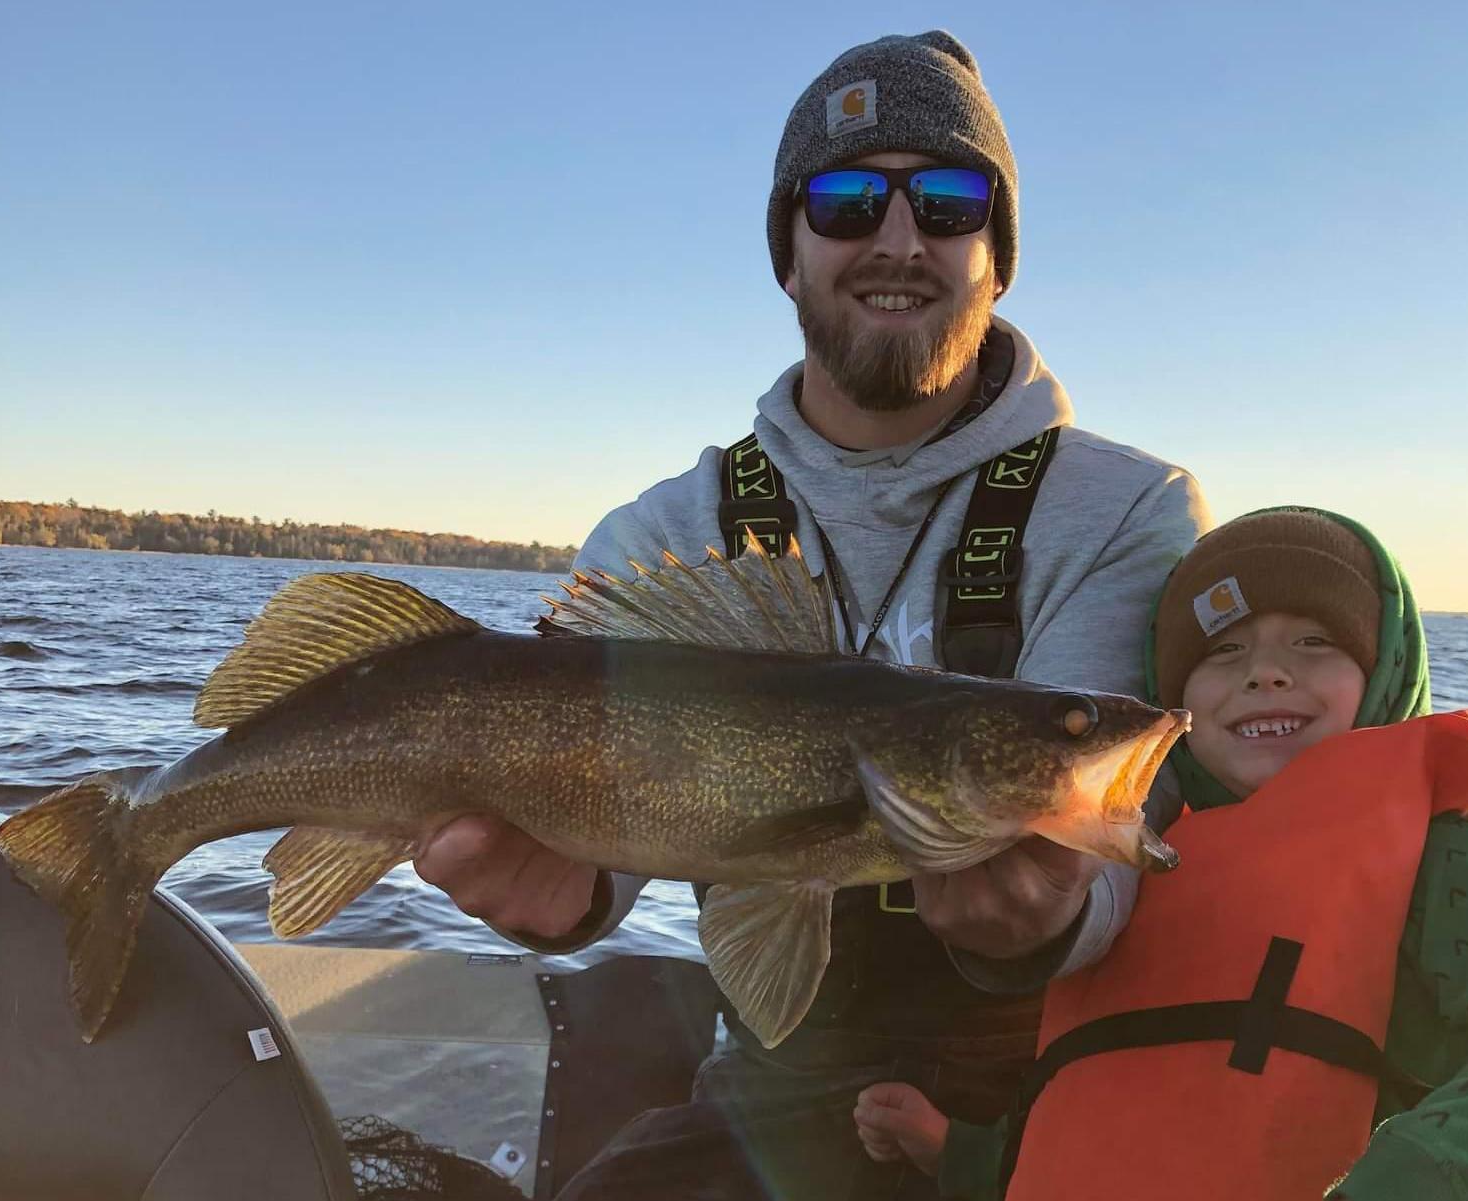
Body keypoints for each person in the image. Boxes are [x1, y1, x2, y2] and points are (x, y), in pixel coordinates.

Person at [416, 30, 1209, 1200]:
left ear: (998, 253)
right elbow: (602, 874)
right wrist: (560, 900)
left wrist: (1040, 922)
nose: (899, 240)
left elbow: (1115, 870)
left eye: (950, 201)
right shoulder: (660, 534)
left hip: (1055, 1080)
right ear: (787, 251)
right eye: (845, 202)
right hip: (775, 1086)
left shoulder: (1131, 510)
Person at [855, 507, 1468, 1200]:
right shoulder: (1124, 871)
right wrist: (962, 1153)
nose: (1266, 671)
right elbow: (1118, 1094)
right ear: (1171, 700)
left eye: (1314, 640)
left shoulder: (1434, 857)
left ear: (1385, 669)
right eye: (1223, 650)